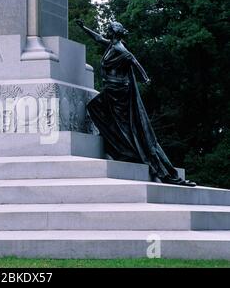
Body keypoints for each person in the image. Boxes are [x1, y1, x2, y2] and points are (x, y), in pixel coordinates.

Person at [75, 19, 196, 187]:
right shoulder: (111, 44)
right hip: (112, 89)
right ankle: (116, 143)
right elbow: (98, 38)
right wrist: (84, 27)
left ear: (114, 33)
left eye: (109, 30)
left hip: (119, 91)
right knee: (100, 111)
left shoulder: (119, 48)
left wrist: (145, 77)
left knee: (114, 119)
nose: (107, 32)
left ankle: (124, 148)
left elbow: (134, 61)